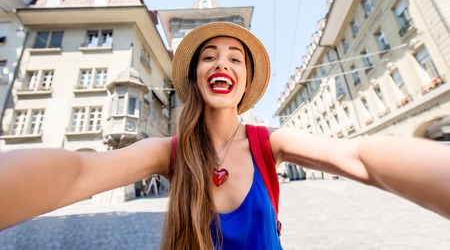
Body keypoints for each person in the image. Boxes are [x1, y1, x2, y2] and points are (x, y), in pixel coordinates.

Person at [0, 22, 449, 249]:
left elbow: (361, 157)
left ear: (245, 80)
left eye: (236, 58)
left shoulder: (271, 142)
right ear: (196, 77)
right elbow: (80, 172)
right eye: (209, 57)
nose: (222, 64)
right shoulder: (169, 152)